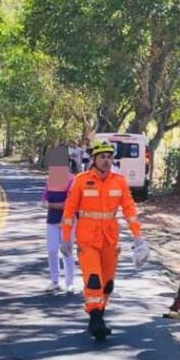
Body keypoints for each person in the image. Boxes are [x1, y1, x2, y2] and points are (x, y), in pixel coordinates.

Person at [60, 141, 148, 340]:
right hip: (88, 239)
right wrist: (66, 237)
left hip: (110, 239)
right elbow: (69, 211)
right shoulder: (81, 181)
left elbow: (129, 209)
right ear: (94, 159)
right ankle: (96, 318)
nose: (106, 161)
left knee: (107, 284)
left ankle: (99, 312)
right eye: (102, 157)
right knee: (94, 280)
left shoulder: (120, 181)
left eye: (109, 157)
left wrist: (138, 236)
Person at [41, 147, 76, 294]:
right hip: (52, 220)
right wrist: (51, 204)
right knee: (52, 250)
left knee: (67, 251)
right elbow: (44, 199)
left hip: (67, 220)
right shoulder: (51, 179)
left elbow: (69, 203)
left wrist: (51, 205)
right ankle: (54, 281)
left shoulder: (72, 179)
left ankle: (70, 283)